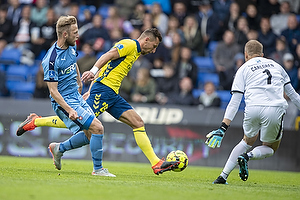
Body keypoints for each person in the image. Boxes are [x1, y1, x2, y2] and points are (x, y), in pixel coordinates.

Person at [16, 27, 179, 176]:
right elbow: (107, 56)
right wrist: (93, 73)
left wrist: (91, 88)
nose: (154, 50)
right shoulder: (129, 44)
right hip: (104, 90)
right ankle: (37, 122)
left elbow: (107, 66)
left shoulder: (135, 51)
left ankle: (156, 163)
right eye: (154, 46)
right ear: (147, 40)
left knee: (137, 122)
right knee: (80, 123)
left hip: (111, 94)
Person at [207, 40, 300, 184]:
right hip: (275, 109)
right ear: (262, 55)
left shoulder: (243, 68)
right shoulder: (277, 66)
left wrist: (223, 128)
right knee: (270, 147)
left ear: (246, 55)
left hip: (252, 108)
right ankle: (247, 157)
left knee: (246, 141)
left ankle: (222, 176)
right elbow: (293, 95)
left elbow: (235, 101)